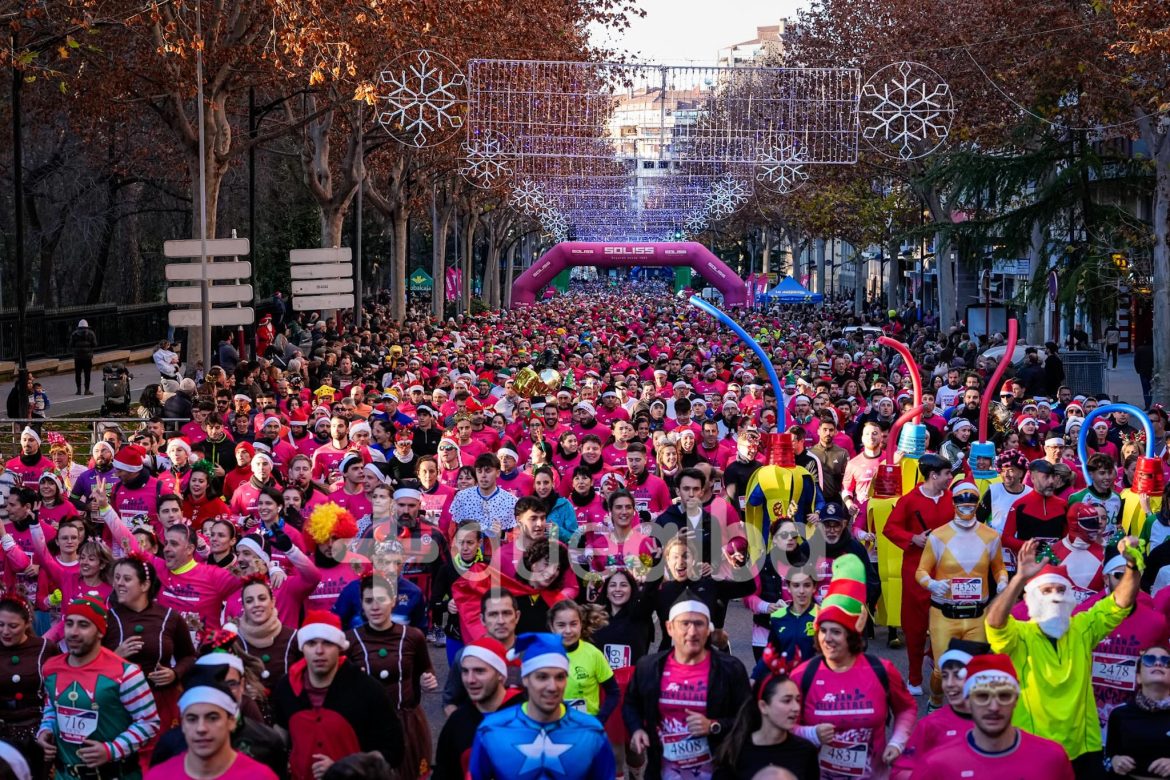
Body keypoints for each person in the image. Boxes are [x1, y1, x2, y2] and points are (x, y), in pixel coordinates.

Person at [985, 536, 1141, 776]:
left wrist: (1131, 565)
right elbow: (994, 624)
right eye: (1046, 590)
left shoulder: (1083, 627)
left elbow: (1120, 603)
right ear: (1029, 598)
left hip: (1083, 748)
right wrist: (1019, 579)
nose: (1055, 595)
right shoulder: (1020, 634)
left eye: (1061, 589)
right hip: (1034, 747)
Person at [790, 555, 917, 780]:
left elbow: (906, 708)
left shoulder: (882, 670)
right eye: (823, 630)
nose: (827, 638)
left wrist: (897, 743)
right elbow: (782, 723)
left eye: (836, 631)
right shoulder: (802, 675)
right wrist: (811, 733)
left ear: (852, 634)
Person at [623, 590, 751, 780]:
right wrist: (636, 729)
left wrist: (713, 726)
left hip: (717, 772)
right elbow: (630, 704)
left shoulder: (730, 669)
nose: (692, 632)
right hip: (663, 772)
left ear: (708, 629)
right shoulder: (649, 667)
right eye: (684, 623)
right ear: (669, 628)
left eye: (699, 624)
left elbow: (749, 717)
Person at [37, 596, 161, 780]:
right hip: (65, 775)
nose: (73, 632)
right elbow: (51, 708)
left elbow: (149, 722)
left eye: (84, 625)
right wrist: (46, 730)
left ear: (100, 632)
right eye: (69, 624)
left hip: (115, 774)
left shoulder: (126, 673)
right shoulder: (51, 668)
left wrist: (111, 750)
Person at [269, 611, 404, 780]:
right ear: (302, 647)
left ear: (340, 647)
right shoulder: (286, 688)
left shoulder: (367, 689)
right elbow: (279, 736)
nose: (319, 651)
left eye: (327, 643)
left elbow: (394, 749)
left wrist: (345, 768)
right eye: (311, 643)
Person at [469, 632, 616, 780]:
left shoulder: (591, 731)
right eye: (542, 677)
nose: (552, 687)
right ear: (525, 679)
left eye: (559, 677)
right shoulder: (491, 730)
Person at [915, 481, 1008, 709]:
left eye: (971, 499)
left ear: (977, 503)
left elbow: (999, 567)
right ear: (953, 501)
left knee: (976, 667)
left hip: (977, 614)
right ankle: (936, 701)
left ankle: (970, 711)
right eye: (960, 499)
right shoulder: (939, 536)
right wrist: (932, 584)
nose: (966, 503)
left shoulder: (991, 536)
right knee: (941, 668)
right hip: (944, 613)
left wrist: (1003, 581)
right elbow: (921, 571)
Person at [912, 654, 1074, 779]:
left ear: (1016, 700)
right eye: (982, 696)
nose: (994, 707)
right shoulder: (937, 764)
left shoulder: (1052, 757)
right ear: (967, 701)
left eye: (1003, 696)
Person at [344, 575, 437, 780]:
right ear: (362, 604)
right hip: (367, 726)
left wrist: (427, 680)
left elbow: (426, 669)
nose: (375, 606)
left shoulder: (413, 636)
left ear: (393, 600)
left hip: (407, 723)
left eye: (381, 599)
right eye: (369, 601)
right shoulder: (350, 640)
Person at [103, 555, 197, 749]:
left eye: (126, 579)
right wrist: (115, 656)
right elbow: (90, 662)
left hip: (161, 702)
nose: (119, 583)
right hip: (119, 704)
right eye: (117, 577)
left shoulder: (170, 617)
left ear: (145, 586)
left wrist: (175, 673)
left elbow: (189, 656)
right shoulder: (107, 618)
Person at [882, 453, 955, 696]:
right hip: (915, 571)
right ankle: (914, 677)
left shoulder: (952, 499)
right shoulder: (909, 500)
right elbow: (889, 528)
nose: (950, 478)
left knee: (946, 622)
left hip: (946, 570)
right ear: (934, 475)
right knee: (914, 627)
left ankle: (934, 660)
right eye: (947, 474)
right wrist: (913, 538)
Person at [145, 666, 279, 780]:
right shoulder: (159, 776)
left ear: (232, 721)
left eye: (213, 718)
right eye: (192, 719)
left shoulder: (260, 776)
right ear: (183, 724)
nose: (201, 728)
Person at [889, 639, 987, 779]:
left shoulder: (996, 721)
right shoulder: (931, 724)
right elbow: (903, 768)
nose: (949, 684)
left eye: (958, 676)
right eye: (945, 676)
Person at [433, 637, 516, 780]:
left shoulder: (527, 715)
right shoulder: (458, 721)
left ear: (501, 675)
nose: (470, 679)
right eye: (465, 671)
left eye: (479, 671)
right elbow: (443, 773)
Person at [712, 672, 819, 780]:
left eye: (798, 700)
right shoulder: (734, 752)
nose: (796, 708)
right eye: (787, 701)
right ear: (763, 706)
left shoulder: (806, 751)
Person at [0, 595, 60, 780]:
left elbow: (58, 688)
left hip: (37, 733)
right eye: (0, 624)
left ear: (27, 623)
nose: (5, 631)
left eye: (13, 626)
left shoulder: (45, 648)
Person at [1104, 644, 1170, 778]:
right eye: (1149, 660)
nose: (1158, 663)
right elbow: (1108, 756)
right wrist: (1115, 760)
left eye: (1166, 661)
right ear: (1138, 677)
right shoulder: (1119, 714)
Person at [70, 319, 98, 396]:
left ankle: (78, 390)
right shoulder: (91, 333)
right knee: (87, 374)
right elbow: (95, 344)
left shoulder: (74, 334)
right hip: (87, 357)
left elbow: (71, 344)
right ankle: (87, 390)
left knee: (78, 374)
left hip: (78, 357)